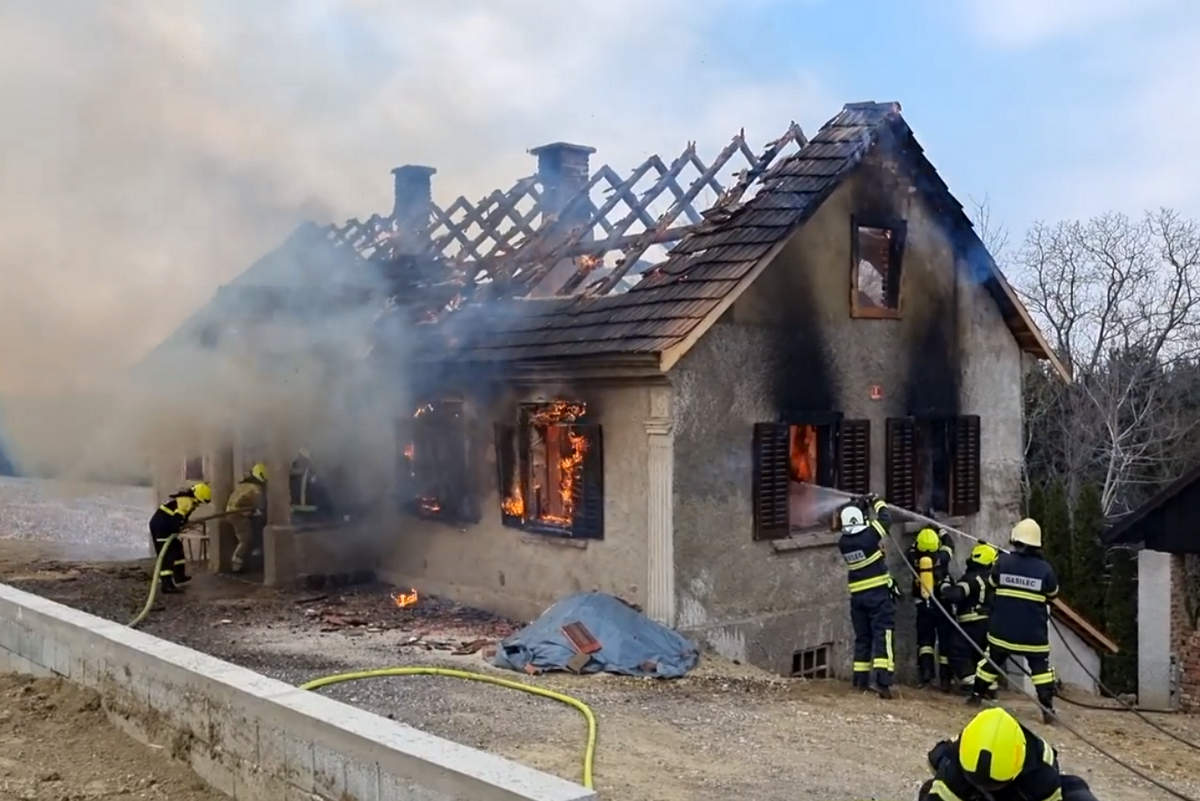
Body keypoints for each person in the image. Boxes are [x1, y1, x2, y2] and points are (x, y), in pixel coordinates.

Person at [970, 519, 1059, 722]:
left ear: (1015, 541)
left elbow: (992, 582)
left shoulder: (1003, 562)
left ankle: (976, 696)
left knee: (991, 663)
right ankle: (1047, 710)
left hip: (1002, 632)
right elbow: (1053, 593)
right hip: (1033, 635)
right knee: (1041, 672)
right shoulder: (1045, 569)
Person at [918, 707, 1099, 800]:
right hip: (971, 791)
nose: (988, 787)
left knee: (1076, 792)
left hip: (1020, 795)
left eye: (994, 785)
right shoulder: (955, 762)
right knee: (929, 790)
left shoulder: (1041, 771)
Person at [836, 494, 898, 698]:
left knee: (863, 637)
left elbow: (858, 527)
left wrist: (859, 506)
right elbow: (886, 519)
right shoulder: (870, 536)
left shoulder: (844, 542)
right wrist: (877, 501)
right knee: (883, 635)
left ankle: (860, 681)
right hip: (878, 596)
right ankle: (884, 683)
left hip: (858, 599)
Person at [940, 542, 997, 692]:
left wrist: (944, 586)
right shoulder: (992, 579)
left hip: (971, 623)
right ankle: (990, 686)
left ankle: (970, 682)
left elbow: (956, 595)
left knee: (957, 650)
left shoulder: (972, 578)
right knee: (982, 656)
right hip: (989, 624)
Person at [907, 527, 953, 689]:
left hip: (923, 605)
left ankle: (926, 675)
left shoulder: (913, 557)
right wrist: (941, 530)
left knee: (925, 642)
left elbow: (912, 548)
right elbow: (949, 545)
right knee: (945, 641)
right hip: (942, 604)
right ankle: (946, 680)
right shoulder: (942, 557)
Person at [148, 482, 211, 593]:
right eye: (199, 502)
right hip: (161, 526)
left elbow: (180, 518)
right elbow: (176, 519)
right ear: (197, 497)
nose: (198, 505)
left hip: (164, 524)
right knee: (167, 554)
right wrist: (178, 527)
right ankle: (166, 585)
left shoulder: (187, 500)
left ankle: (179, 575)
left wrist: (182, 525)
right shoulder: (186, 502)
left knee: (177, 547)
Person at [226, 462, 268, 573]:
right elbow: (260, 505)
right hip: (238, 515)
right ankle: (236, 565)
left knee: (247, 538)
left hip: (231, 513)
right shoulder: (255, 488)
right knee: (246, 539)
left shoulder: (244, 485)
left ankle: (245, 561)